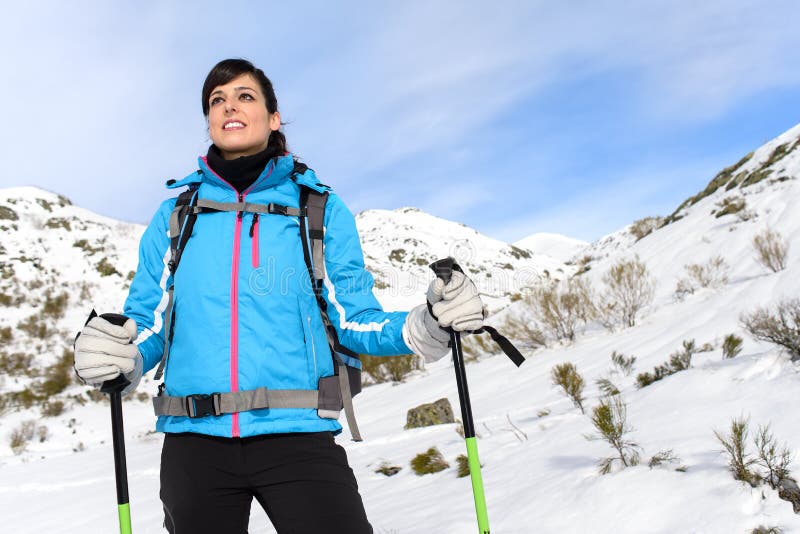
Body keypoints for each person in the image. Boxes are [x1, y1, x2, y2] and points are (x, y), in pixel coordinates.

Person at [73, 58, 485, 534]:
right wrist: (119, 357)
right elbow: (150, 324)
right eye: (217, 100)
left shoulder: (318, 209)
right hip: (194, 443)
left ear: (273, 118)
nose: (229, 106)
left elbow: (353, 319)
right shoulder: (175, 218)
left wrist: (426, 324)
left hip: (298, 436)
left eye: (244, 96)